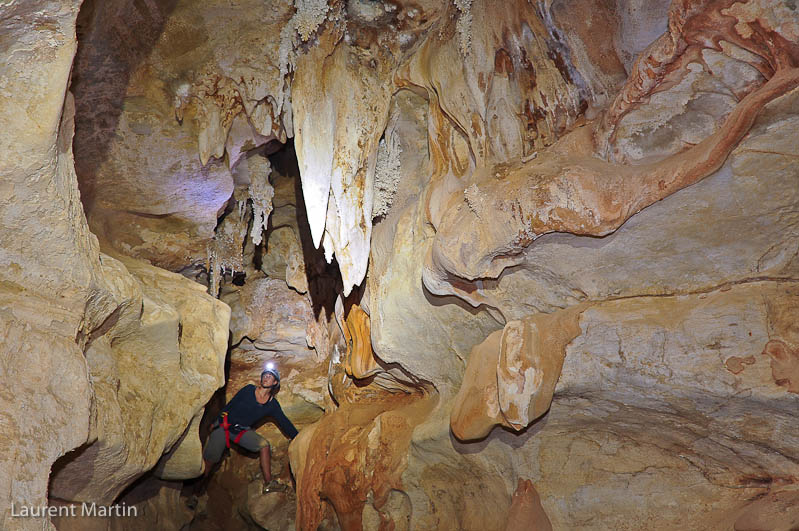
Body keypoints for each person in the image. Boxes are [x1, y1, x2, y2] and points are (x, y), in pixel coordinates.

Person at [201, 363, 298, 492]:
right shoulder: (248, 390)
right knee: (209, 462)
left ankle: (268, 483)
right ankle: (196, 494)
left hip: (240, 431)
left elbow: (284, 422)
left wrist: (297, 437)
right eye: (265, 375)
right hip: (224, 427)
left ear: (275, 382)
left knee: (264, 445)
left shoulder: (272, 405)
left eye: (270, 376)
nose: (266, 377)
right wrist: (217, 421)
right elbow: (230, 406)